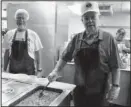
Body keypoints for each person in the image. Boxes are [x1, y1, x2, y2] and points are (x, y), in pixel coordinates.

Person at [48, 1, 121, 106]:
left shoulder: (108, 39)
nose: (90, 21)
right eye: (86, 18)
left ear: (98, 18)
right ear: (82, 20)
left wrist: (115, 86)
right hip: (79, 92)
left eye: (93, 17)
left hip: (100, 94)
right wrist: (56, 71)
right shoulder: (76, 39)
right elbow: (64, 57)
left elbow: (115, 66)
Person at [3, 9, 43, 75]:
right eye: (18, 18)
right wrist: (4, 70)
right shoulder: (9, 34)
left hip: (29, 74)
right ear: (15, 19)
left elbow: (37, 53)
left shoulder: (33, 35)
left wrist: (39, 70)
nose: (21, 20)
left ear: (26, 19)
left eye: (23, 18)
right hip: (13, 74)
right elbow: (6, 53)